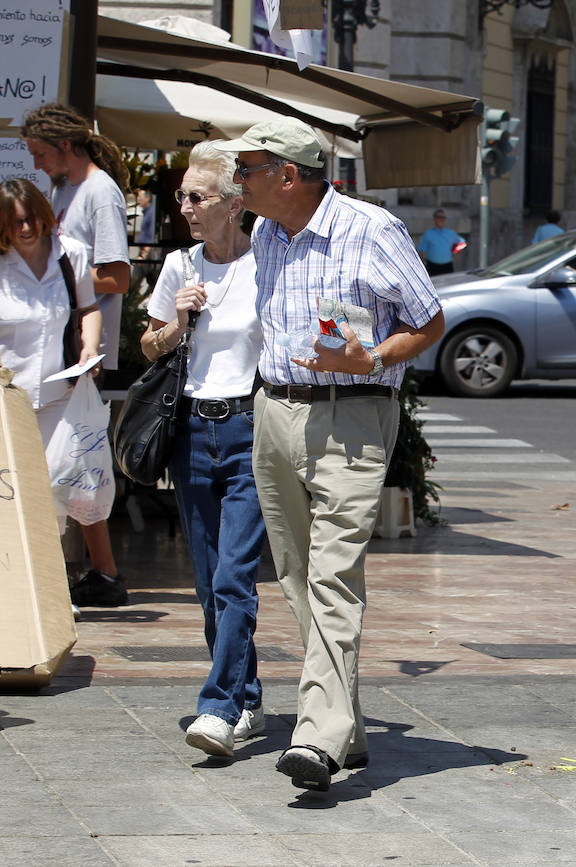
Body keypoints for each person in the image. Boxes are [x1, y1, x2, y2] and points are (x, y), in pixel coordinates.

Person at [217, 118, 445, 792]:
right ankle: (344, 718)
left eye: (248, 169)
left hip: (352, 417)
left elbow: (430, 320)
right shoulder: (265, 233)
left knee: (333, 575)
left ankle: (316, 739)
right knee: (295, 574)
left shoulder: (371, 230)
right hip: (275, 409)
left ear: (288, 176)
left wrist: (371, 354)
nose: (239, 181)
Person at [140, 142, 266, 759]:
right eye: (182, 196)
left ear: (234, 203)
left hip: (250, 428)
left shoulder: (267, 261)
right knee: (205, 581)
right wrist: (178, 324)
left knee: (234, 577)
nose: (184, 205)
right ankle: (246, 694)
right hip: (191, 430)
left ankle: (218, 705)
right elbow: (147, 347)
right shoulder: (180, 266)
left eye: (197, 196)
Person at [22, 102, 133, 608]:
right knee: (74, 459)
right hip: (57, 344)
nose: (38, 165)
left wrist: (53, 284)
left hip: (82, 349)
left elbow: (118, 275)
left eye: (41, 154)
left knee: (71, 458)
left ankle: (90, 568)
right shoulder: (64, 189)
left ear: (66, 145)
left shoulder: (100, 192)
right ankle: (100, 570)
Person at [0, 179, 103, 483]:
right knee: (4, 486)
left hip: (58, 396)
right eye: (16, 223)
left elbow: (89, 308)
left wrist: (88, 347)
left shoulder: (71, 255)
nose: (26, 228)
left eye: (32, 219)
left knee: (53, 487)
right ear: (0, 224)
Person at [415, 208, 465, 276]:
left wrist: (454, 251)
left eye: (443, 217)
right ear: (434, 219)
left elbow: (462, 243)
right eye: (439, 217)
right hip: (432, 267)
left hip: (447, 266)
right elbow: (421, 251)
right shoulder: (428, 234)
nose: (441, 219)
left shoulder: (450, 233)